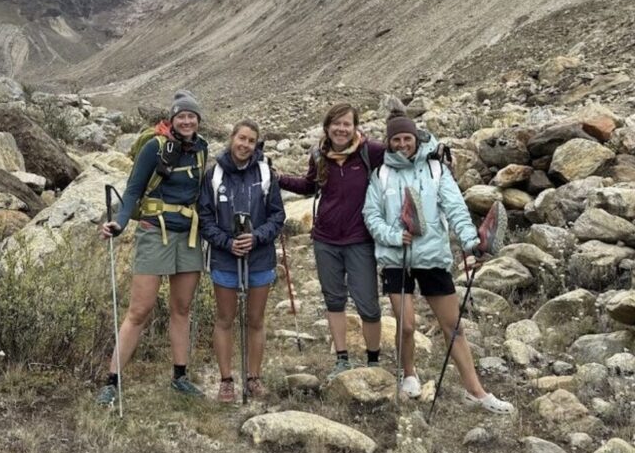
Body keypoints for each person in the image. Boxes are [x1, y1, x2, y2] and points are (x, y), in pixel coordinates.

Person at [362, 112, 514, 414]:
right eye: (396, 139)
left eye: (407, 138)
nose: (403, 143)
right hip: (396, 259)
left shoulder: (436, 170)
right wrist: (393, 235)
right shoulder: (381, 175)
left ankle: (476, 391)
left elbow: (456, 209)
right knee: (406, 325)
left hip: (432, 257)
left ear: (416, 138)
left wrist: (472, 242)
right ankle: (409, 375)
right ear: (389, 143)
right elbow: (371, 215)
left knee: (453, 326)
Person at [97, 90, 208, 404]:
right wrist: (118, 223)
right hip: (153, 233)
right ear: (172, 119)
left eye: (192, 116)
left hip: (188, 235)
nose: (187, 121)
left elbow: (202, 193)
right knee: (139, 310)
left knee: (182, 309)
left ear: (198, 120)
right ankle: (112, 381)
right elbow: (132, 191)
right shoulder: (153, 148)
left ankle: (180, 377)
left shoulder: (202, 149)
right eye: (181, 116)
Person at [278, 103, 383, 378]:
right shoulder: (319, 154)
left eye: (347, 123)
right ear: (327, 127)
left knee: (368, 303)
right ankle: (342, 358)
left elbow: (402, 157)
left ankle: (373, 361)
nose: (341, 129)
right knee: (334, 300)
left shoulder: (370, 152)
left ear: (355, 127)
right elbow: (310, 186)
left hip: (360, 238)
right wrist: (278, 179)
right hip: (325, 239)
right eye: (336, 124)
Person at [199, 120, 285, 402]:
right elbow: (206, 218)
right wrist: (227, 242)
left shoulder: (265, 173)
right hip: (225, 259)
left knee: (256, 319)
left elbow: (277, 216)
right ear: (231, 138)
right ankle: (226, 381)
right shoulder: (214, 175)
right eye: (241, 138)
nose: (245, 145)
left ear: (255, 144)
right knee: (225, 319)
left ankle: (254, 378)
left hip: (260, 258)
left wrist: (256, 237)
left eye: (251, 141)